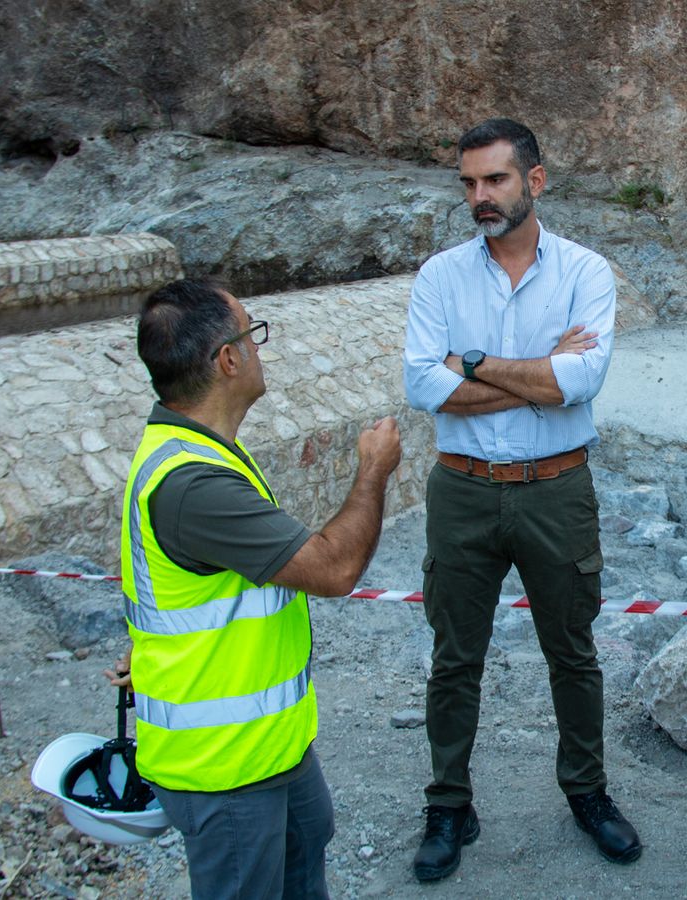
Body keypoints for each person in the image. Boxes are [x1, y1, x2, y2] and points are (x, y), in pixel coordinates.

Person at [111, 278, 403, 899]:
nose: (260, 348)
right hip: (227, 767)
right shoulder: (197, 484)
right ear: (229, 359)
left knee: (304, 858)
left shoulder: (198, 453)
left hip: (270, 748)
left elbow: (171, 593)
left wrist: (149, 653)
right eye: (253, 332)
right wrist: (374, 471)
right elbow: (333, 570)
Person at [401, 117, 638, 882]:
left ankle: (588, 793)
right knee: (453, 657)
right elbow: (421, 386)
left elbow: (580, 383)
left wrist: (469, 364)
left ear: (535, 180)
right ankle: (448, 804)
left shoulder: (586, 274)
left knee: (572, 651)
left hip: (556, 489)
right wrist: (532, 374)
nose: (480, 196)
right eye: (469, 182)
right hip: (462, 492)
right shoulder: (440, 276)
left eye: (495, 179)